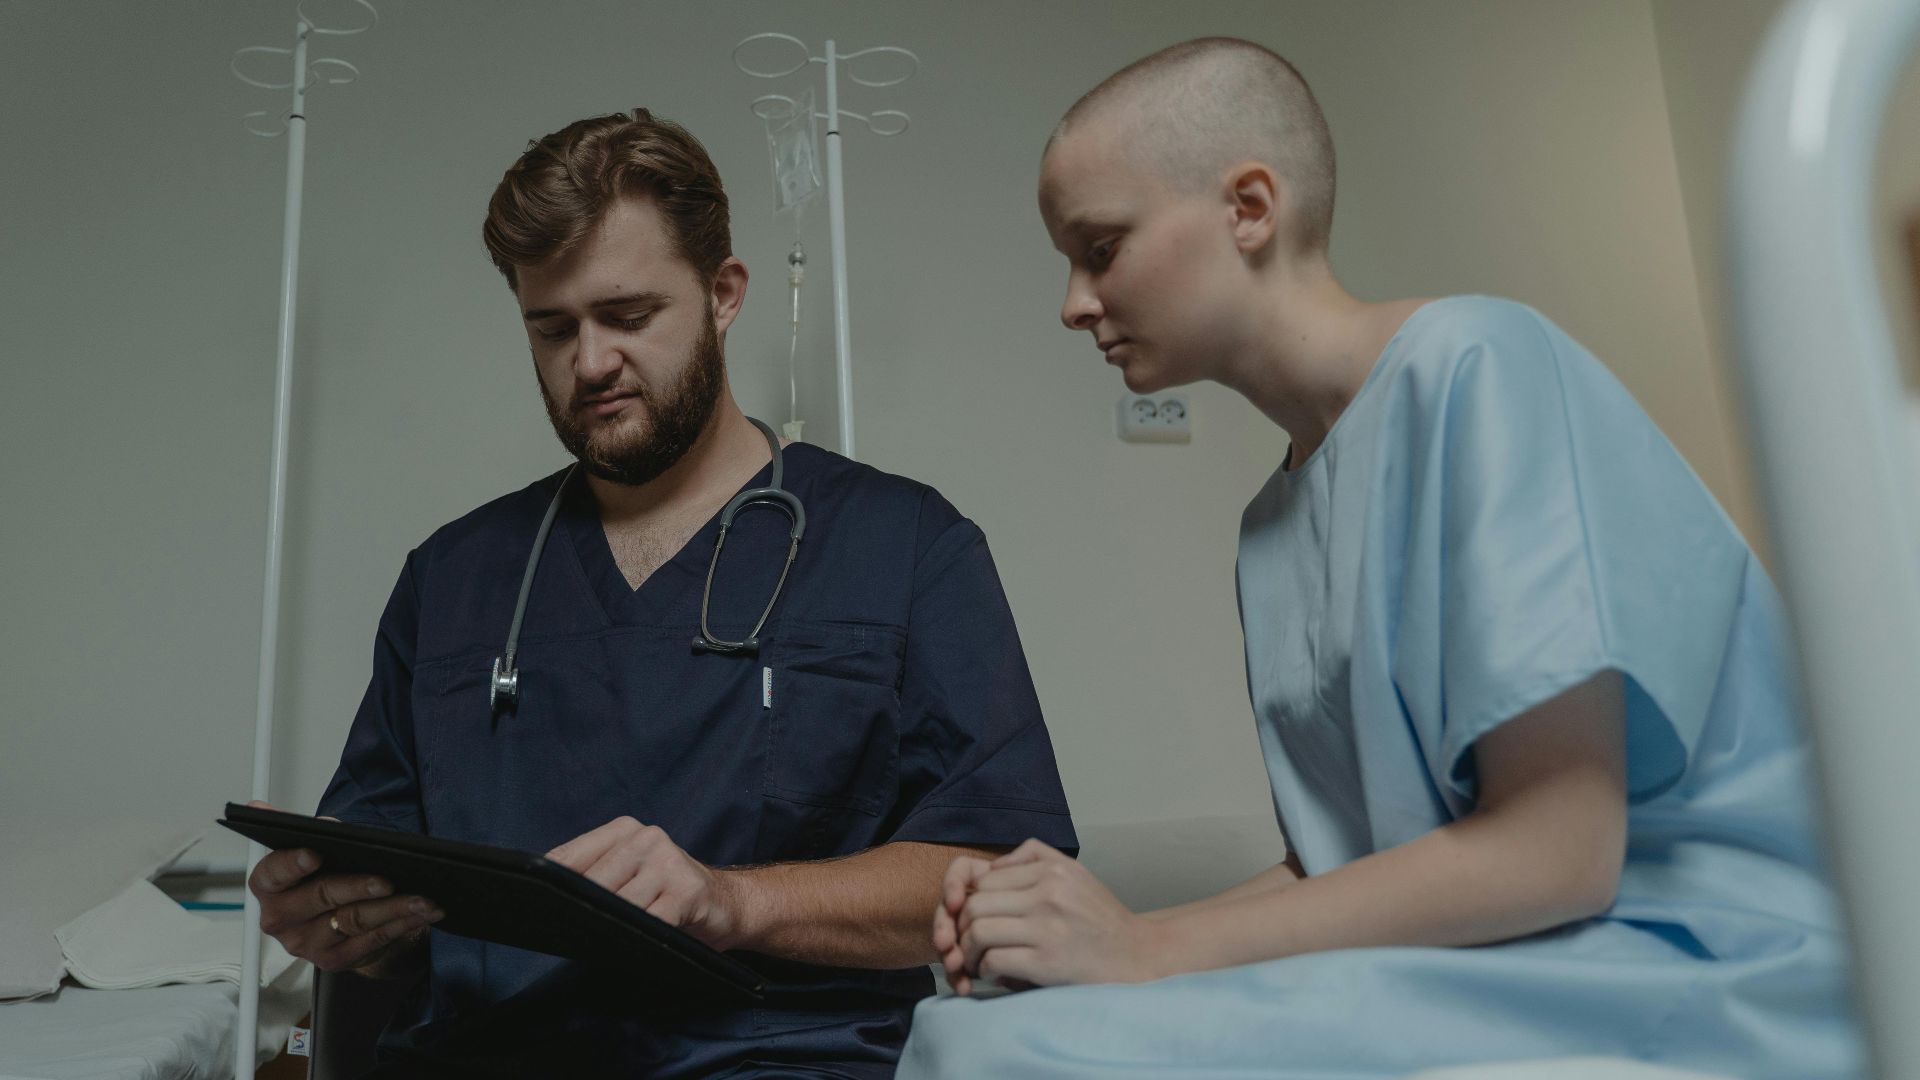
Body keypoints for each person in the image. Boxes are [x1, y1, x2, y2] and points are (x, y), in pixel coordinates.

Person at [898, 37, 1860, 1079]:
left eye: (1100, 247)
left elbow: (1558, 854)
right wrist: (1088, 932)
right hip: (1511, 950)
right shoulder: (1271, 522)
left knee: (1016, 1057)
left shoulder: (1479, 364)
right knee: (976, 1024)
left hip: (1697, 950)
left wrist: (1149, 951)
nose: (1074, 303)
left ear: (1251, 208)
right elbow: (1343, 869)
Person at [245, 108, 1076, 1078]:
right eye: (552, 329)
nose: (590, 363)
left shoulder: (901, 546)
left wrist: (736, 902)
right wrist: (338, 920)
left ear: (724, 294)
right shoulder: (454, 577)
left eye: (628, 317)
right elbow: (377, 869)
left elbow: (1006, 878)